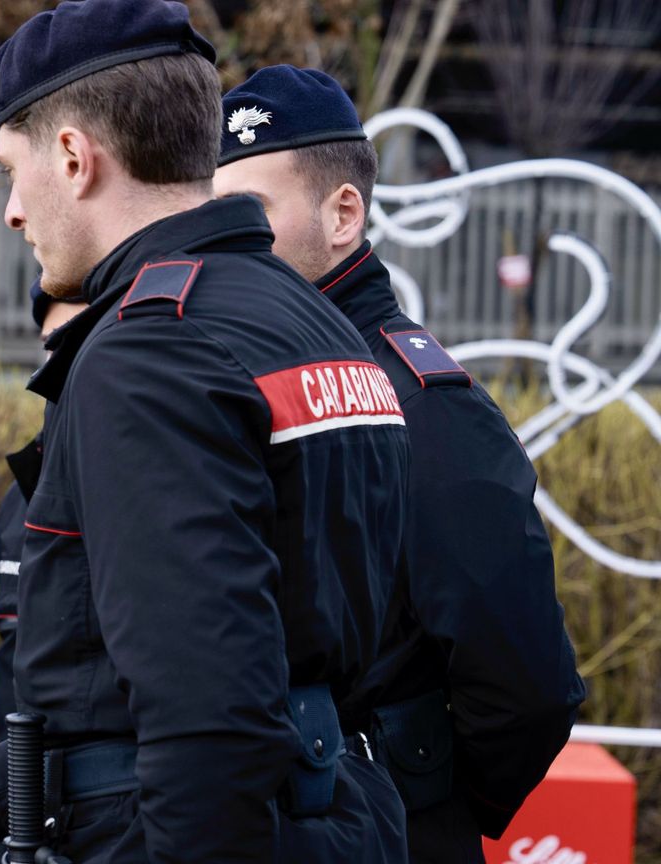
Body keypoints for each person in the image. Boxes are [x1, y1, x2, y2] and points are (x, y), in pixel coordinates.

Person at [0, 1, 415, 861]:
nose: (11, 209)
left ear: (76, 158)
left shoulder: (149, 352)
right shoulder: (310, 319)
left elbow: (207, 712)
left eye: (13, 169)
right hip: (330, 811)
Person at [213, 65, 586, 863]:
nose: (226, 242)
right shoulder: (241, 377)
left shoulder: (419, 401)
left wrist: (423, 794)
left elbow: (525, 684)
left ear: (342, 214)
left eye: (250, 214)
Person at [0, 283, 87, 864]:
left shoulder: (126, 489)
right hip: (20, 804)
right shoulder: (18, 497)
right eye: (54, 345)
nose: (62, 363)